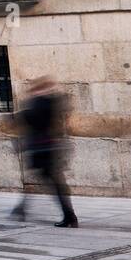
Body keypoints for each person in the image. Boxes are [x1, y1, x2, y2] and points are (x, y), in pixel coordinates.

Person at [11, 77, 78, 228]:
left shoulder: (39, 103)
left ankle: (69, 215)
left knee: (52, 183)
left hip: (41, 148)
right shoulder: (53, 102)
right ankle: (21, 209)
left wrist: (22, 114)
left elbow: (32, 119)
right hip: (49, 147)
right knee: (49, 182)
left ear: (37, 90)